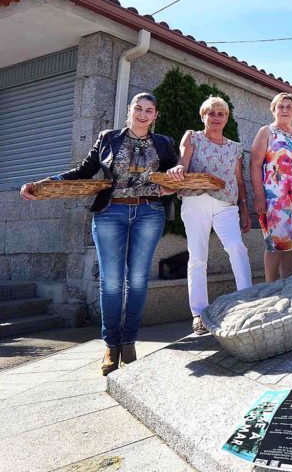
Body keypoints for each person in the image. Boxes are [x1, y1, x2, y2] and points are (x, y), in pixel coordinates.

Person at [20, 92, 180, 375]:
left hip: (148, 214)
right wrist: (47, 183)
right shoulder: (109, 138)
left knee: (139, 281)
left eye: (149, 110)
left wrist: (177, 175)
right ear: (129, 111)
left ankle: (129, 341)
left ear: (155, 115)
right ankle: (111, 344)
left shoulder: (165, 143)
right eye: (138, 108)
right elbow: (85, 169)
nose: (143, 114)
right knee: (111, 282)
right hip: (111, 213)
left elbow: (173, 176)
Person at [166, 96, 252, 336]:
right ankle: (199, 313)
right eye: (211, 113)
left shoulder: (235, 147)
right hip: (196, 200)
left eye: (221, 114)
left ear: (227, 118)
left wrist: (245, 210)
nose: (216, 118)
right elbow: (183, 162)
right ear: (202, 116)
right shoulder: (192, 137)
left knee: (237, 247)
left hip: (227, 204)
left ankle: (248, 300)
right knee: (197, 256)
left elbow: (239, 181)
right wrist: (178, 168)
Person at [250, 92, 292, 282]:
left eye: (289, 107)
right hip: (275, 198)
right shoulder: (266, 132)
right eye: (281, 106)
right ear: (273, 110)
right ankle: (270, 287)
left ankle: (286, 284)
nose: (285, 110)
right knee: (275, 243)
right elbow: (255, 163)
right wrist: (258, 195)